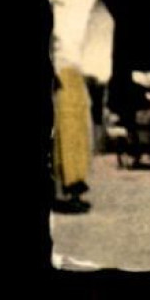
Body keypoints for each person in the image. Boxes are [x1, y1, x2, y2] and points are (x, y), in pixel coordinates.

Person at [53, 63, 93, 214]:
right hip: (61, 75)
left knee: (77, 139)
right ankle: (67, 195)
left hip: (75, 75)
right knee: (66, 137)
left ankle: (74, 193)